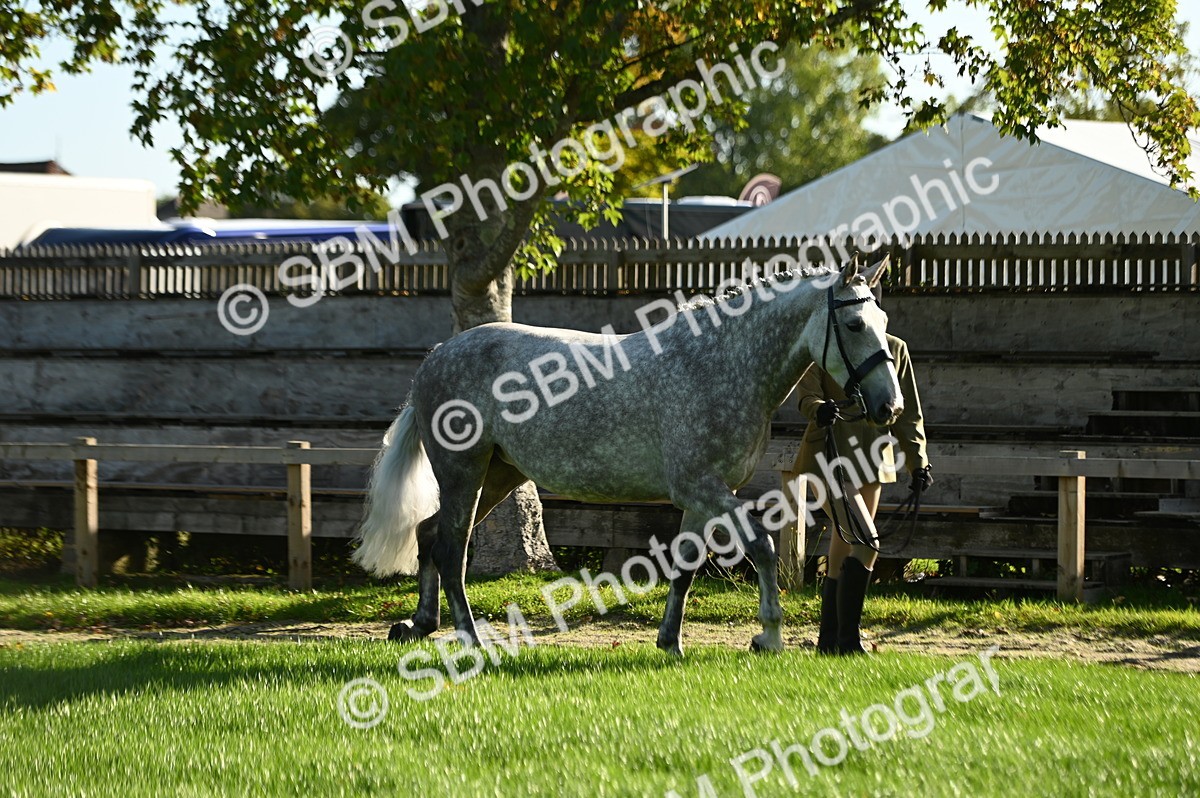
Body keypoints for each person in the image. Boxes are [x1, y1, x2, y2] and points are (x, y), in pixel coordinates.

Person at [791, 331, 932, 655]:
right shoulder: (825, 344)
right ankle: (849, 642)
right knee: (867, 541)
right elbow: (805, 394)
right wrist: (818, 408)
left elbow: (908, 414)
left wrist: (918, 463)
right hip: (827, 459)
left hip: (873, 462)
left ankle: (829, 643)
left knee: (846, 546)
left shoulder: (896, 348)